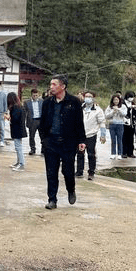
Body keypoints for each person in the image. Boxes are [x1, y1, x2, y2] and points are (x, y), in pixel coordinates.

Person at [39, 75, 86, 209]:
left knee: (68, 171)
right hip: (51, 143)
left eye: (54, 84)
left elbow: (79, 123)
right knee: (51, 172)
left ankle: (71, 190)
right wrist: (44, 140)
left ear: (63, 86)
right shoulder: (47, 102)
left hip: (68, 143)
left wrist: (81, 140)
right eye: (51, 84)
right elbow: (42, 123)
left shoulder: (74, 102)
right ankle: (52, 199)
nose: (51, 87)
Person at [76, 90, 106, 181]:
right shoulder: (80, 108)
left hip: (91, 135)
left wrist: (103, 135)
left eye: (90, 97)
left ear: (93, 98)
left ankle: (91, 172)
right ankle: (79, 171)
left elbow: (102, 122)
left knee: (91, 154)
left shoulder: (98, 110)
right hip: (80, 135)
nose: (88, 98)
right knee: (80, 153)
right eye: (86, 96)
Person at [6, 91, 27, 171]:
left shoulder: (15, 107)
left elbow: (15, 119)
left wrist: (9, 117)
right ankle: (18, 162)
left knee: (18, 147)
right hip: (20, 129)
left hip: (17, 130)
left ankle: (21, 164)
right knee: (18, 147)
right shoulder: (19, 106)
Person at [104, 93, 127, 159]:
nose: (116, 101)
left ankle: (120, 153)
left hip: (120, 124)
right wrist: (112, 112)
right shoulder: (109, 107)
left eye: (117, 100)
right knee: (113, 140)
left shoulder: (123, 106)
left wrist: (118, 110)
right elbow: (106, 116)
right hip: (112, 124)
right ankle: (113, 153)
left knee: (119, 140)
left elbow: (124, 114)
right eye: (114, 100)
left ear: (119, 100)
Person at [24, 88, 43, 155]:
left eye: (36, 95)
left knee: (42, 136)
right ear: (31, 95)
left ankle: (43, 150)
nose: (35, 97)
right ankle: (32, 149)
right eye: (34, 95)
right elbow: (24, 112)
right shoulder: (27, 102)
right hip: (32, 121)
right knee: (32, 136)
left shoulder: (41, 101)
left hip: (40, 120)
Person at [122, 91, 136, 158]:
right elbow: (123, 112)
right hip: (124, 123)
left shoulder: (133, 103)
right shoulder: (123, 103)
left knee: (131, 138)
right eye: (130, 97)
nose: (131, 98)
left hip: (132, 123)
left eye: (132, 97)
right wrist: (129, 109)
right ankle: (124, 152)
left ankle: (130, 152)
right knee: (124, 138)